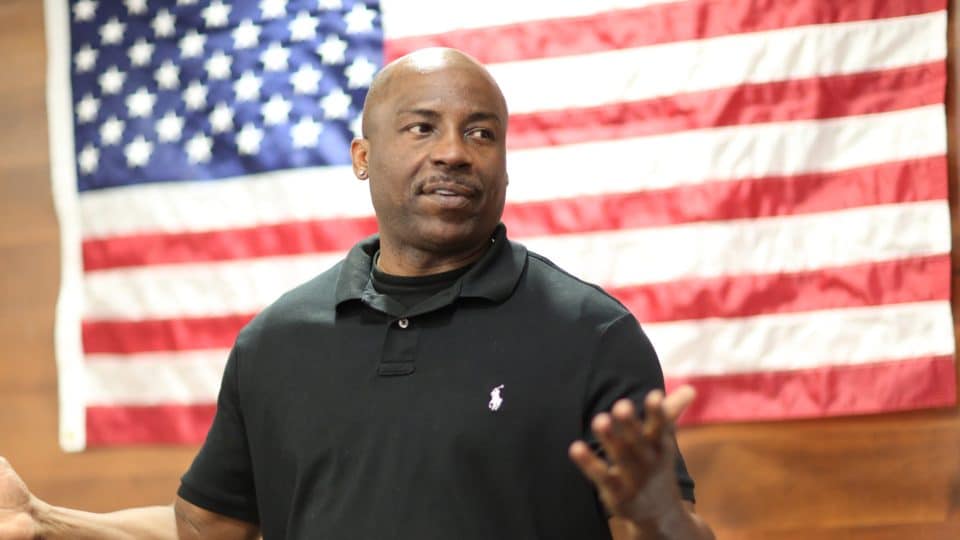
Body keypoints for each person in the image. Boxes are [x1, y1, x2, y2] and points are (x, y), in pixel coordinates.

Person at [0, 48, 714, 540]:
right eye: (421, 127)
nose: (454, 151)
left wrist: (659, 519)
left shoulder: (589, 333)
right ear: (363, 158)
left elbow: (656, 528)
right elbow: (206, 527)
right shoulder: (276, 342)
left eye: (481, 132)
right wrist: (46, 519)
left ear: (504, 165)